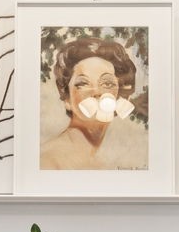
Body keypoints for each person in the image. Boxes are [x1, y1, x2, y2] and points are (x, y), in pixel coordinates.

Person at [39, 35, 147, 171]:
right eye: (83, 83)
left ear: (120, 97)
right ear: (67, 99)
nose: (97, 91)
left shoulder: (109, 163)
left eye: (107, 83)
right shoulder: (48, 161)